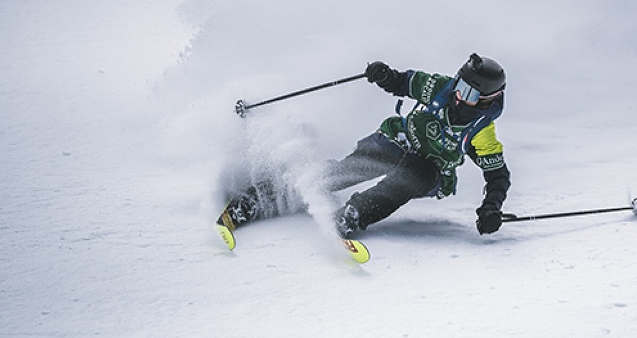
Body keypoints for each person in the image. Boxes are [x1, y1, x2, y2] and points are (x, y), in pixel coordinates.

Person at [216, 53, 510, 245]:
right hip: (398, 141)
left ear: (486, 98)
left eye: (469, 93)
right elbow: (405, 82)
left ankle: (354, 214)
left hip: (431, 170)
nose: (459, 95)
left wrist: (490, 209)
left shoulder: (481, 131)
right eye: (460, 85)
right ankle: (259, 198)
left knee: (413, 176)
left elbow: (497, 176)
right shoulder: (440, 87)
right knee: (348, 170)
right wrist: (385, 75)